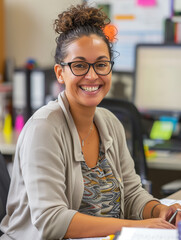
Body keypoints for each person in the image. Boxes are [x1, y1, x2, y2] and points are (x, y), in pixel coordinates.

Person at [1, 3, 181, 240]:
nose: (92, 75)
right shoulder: (44, 128)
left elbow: (131, 194)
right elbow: (51, 221)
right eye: (79, 65)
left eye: (101, 64)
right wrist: (135, 226)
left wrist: (160, 211)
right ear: (59, 72)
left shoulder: (110, 122)